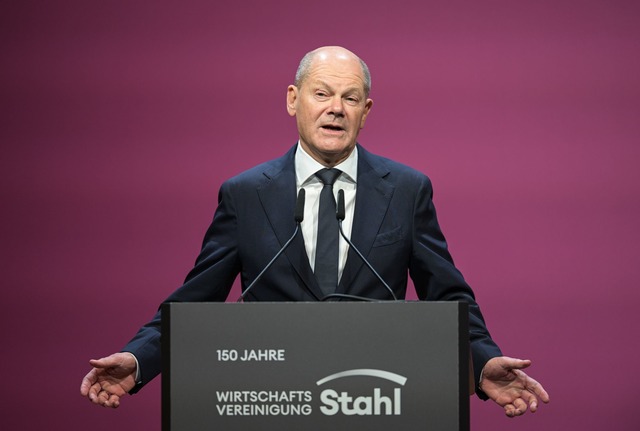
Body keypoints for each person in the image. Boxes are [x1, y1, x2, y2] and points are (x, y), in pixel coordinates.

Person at [80, 46, 549, 418]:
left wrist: (483, 360)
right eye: (322, 93)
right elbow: (196, 298)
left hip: (375, 397)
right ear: (293, 99)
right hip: (275, 401)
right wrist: (139, 360)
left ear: (366, 111)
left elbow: (447, 292)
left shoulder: (406, 189)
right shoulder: (245, 194)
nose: (336, 109)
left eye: (349, 98)